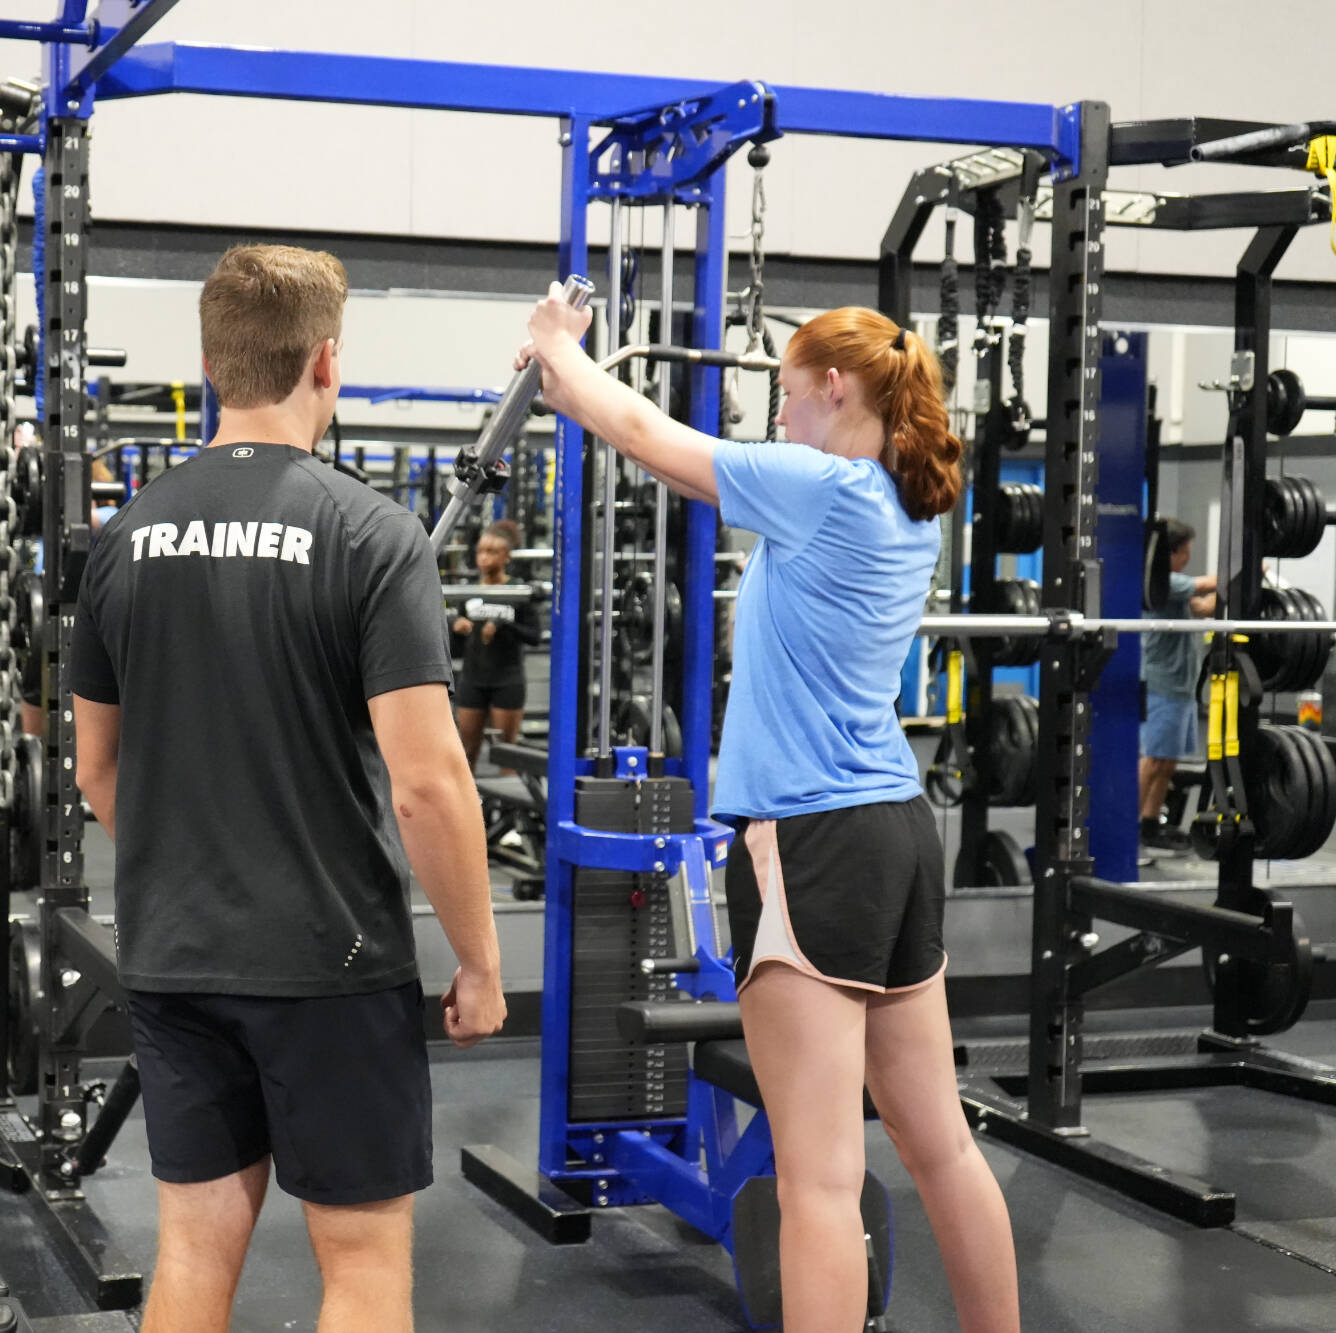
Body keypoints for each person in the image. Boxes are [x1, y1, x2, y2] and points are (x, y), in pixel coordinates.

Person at [523, 293, 1019, 1333]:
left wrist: (553, 350)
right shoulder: (896, 501)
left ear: (832, 387)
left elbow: (641, 433)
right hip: (893, 825)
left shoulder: (822, 486)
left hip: (812, 838)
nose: (778, 416)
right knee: (939, 1145)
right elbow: (661, 450)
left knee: (818, 1179)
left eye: (786, 394)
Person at [67, 244, 506, 1333]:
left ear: (210, 364)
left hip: (173, 954)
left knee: (192, 1248)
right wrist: (480, 961)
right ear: (325, 362)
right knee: (359, 1262)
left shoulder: (122, 540)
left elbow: (93, 769)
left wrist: (189, 867)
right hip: (330, 957)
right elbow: (427, 784)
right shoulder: (370, 533)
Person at [1139, 518, 1217, 849]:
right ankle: (1125, 826)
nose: (1187, 558)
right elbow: (1202, 587)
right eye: (1184, 553)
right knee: (1154, 759)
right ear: (1169, 554)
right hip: (1163, 684)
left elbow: (1201, 607)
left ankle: (1148, 824)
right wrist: (1249, 569)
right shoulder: (1161, 583)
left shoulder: (1173, 588)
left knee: (1168, 762)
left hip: (1183, 686)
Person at [449, 519, 539, 769]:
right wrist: (456, 629)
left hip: (507, 680)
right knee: (465, 754)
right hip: (473, 679)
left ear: (507, 557)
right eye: (480, 551)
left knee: (506, 755)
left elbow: (534, 636)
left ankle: (508, 808)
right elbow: (455, 649)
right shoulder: (466, 593)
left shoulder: (518, 592)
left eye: (492, 552)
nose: (484, 558)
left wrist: (503, 625)